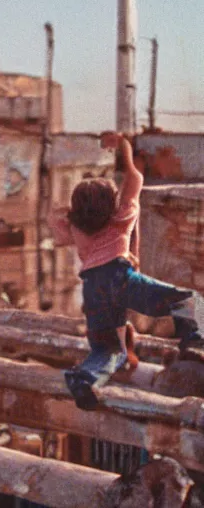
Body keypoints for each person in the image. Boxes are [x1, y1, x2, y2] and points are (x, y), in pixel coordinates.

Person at [47, 132, 204, 410]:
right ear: (111, 204)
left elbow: (54, 219)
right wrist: (123, 145)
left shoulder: (76, 228)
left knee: (108, 350)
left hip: (92, 288)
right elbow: (133, 178)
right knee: (188, 302)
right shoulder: (120, 218)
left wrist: (73, 211)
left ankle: (85, 380)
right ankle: (193, 349)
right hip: (120, 280)